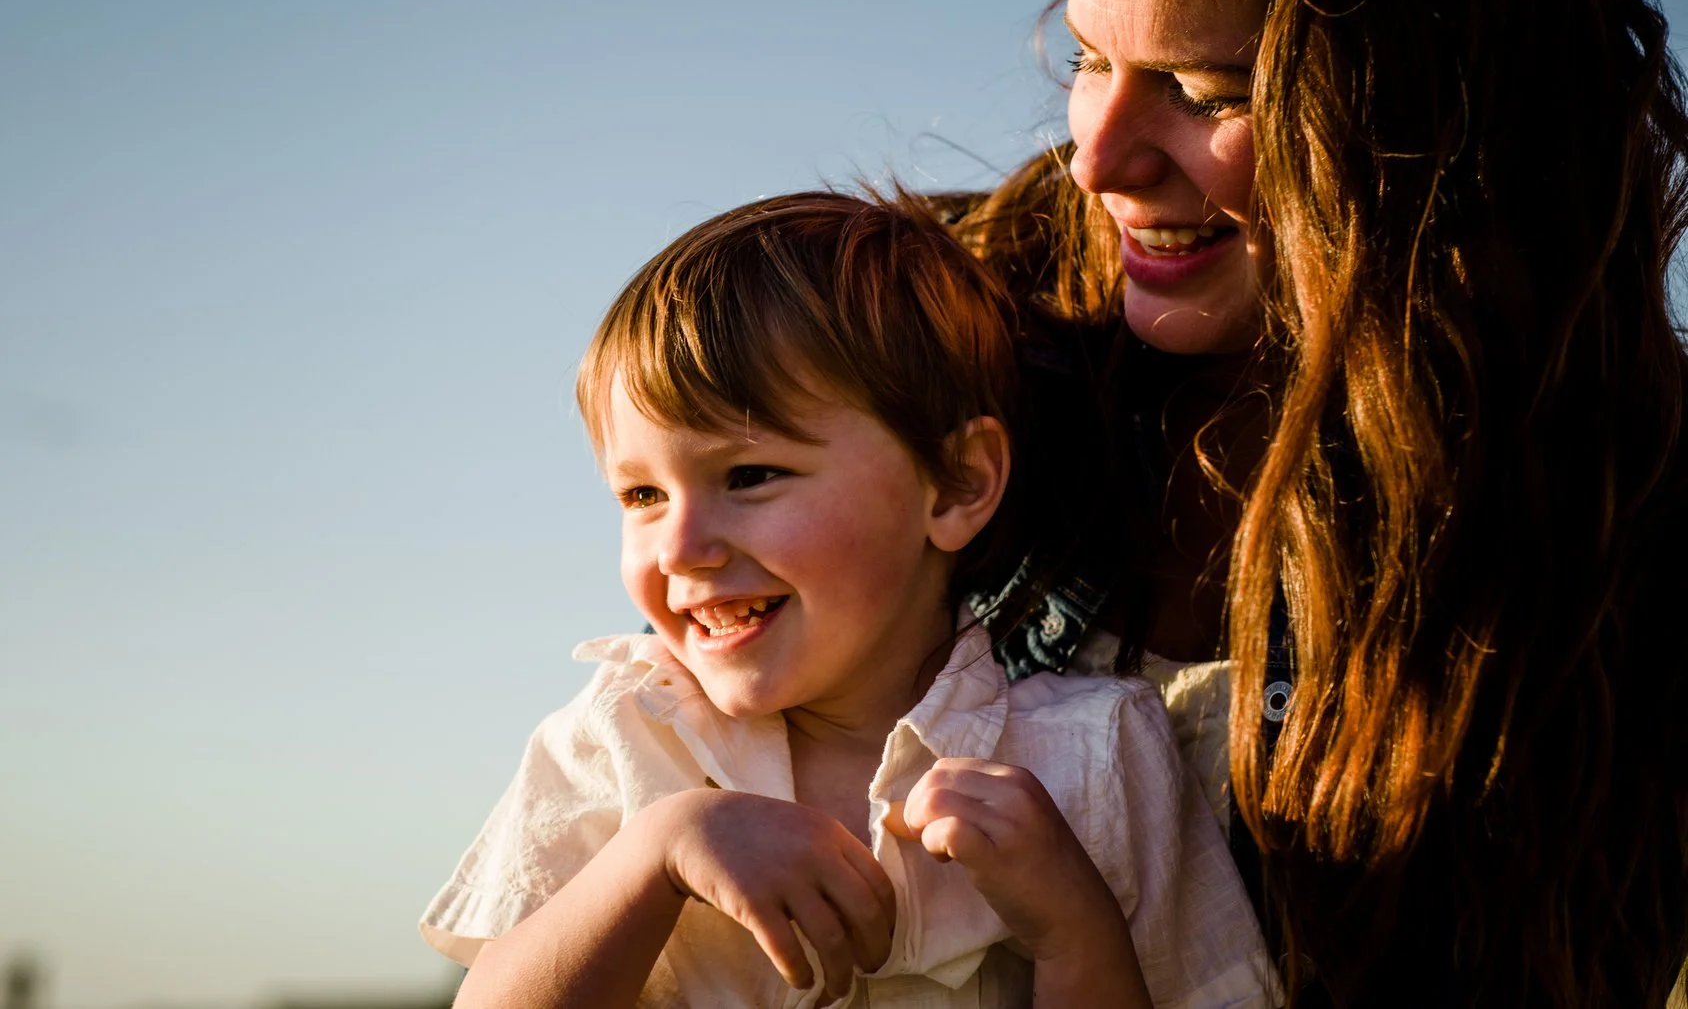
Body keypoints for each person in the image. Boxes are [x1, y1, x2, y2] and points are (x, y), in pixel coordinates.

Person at [947, 0, 1688, 1005]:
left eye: (1206, 93)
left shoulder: (1619, 539)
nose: (1095, 162)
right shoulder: (933, 336)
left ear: (1442, 105)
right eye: (1087, 60)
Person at [418, 192, 1274, 1008]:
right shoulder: (626, 739)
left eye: (749, 475)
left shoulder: (1097, 756)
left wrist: (1075, 931)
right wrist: (656, 853)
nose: (679, 547)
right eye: (641, 496)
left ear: (954, 485)